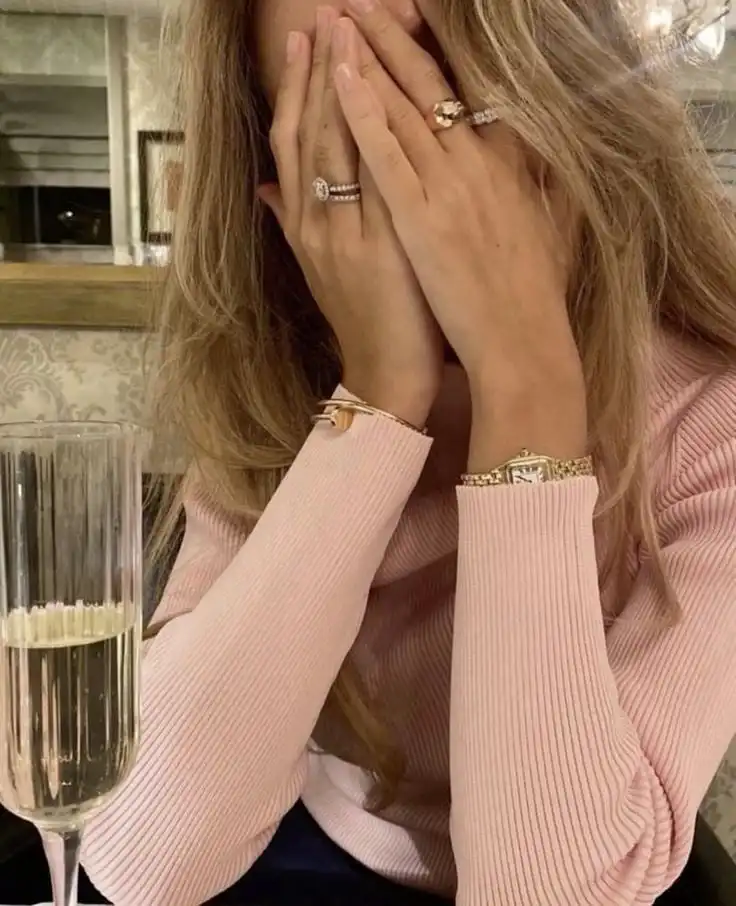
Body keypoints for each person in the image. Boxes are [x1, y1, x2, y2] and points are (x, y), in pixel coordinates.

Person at [82, 0, 736, 904]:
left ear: (575, 106)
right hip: (304, 848)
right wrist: (380, 396)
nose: (411, 178)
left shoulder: (713, 419)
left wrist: (525, 382)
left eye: (445, 111)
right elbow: (145, 859)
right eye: (338, 125)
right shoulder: (276, 380)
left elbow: (554, 891)